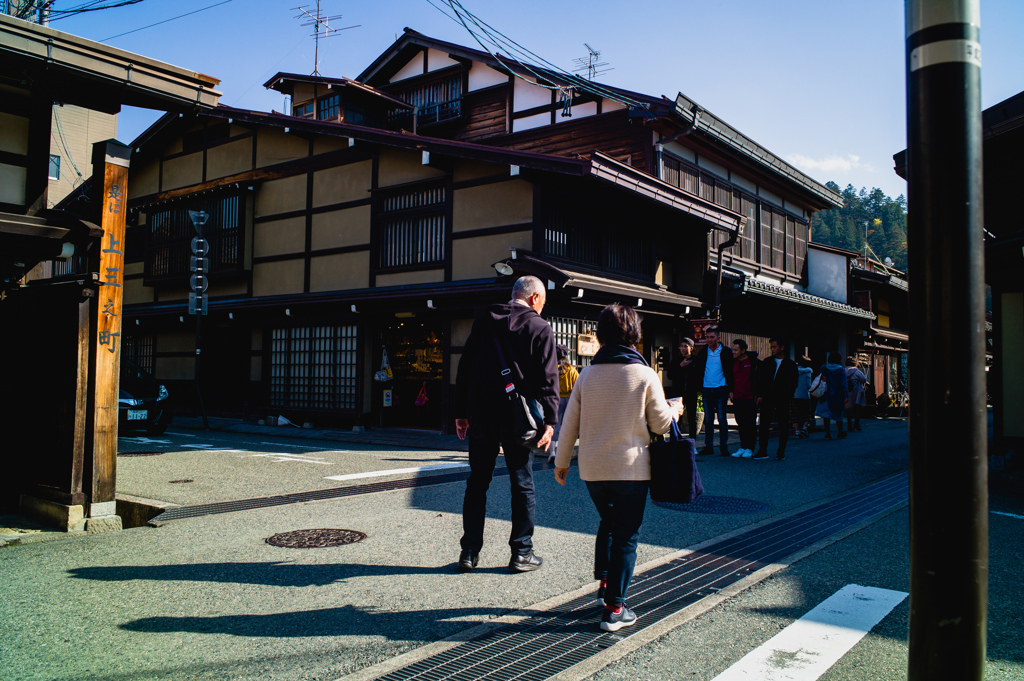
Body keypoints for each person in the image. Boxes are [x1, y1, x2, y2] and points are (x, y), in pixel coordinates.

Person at [553, 303, 683, 632]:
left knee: (608, 522)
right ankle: (614, 609)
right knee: (626, 536)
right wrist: (675, 412)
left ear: (602, 335)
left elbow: (570, 423)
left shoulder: (587, 374)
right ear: (634, 335)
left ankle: (604, 587)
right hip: (631, 469)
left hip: (593, 468)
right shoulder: (644, 374)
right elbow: (661, 425)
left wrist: (561, 461)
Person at [454, 275, 559, 573]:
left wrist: (460, 412)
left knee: (477, 483)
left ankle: (469, 552)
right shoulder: (539, 327)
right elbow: (548, 379)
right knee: (522, 483)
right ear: (535, 298)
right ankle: (521, 553)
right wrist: (551, 421)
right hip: (518, 418)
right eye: (543, 303)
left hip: (481, 414)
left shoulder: (484, 320)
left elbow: (466, 368)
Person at [753, 338, 798, 460]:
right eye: (771, 347)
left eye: (774, 347)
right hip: (767, 397)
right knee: (764, 425)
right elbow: (759, 379)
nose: (772, 349)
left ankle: (781, 451)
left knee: (783, 424)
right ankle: (762, 450)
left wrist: (787, 395)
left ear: (782, 347)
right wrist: (760, 395)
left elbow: (794, 383)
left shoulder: (790, 365)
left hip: (782, 398)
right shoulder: (767, 362)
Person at [693, 326, 734, 456]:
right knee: (708, 419)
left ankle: (723, 446)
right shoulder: (703, 351)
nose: (709, 339)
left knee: (722, 418)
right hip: (706, 388)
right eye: (707, 337)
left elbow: (731, 371)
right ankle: (708, 446)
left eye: (712, 337)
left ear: (718, 338)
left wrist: (731, 389)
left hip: (721, 388)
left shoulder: (726, 352)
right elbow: (699, 369)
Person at [549, 344, 579, 464]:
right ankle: (567, 452)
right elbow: (577, 384)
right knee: (568, 426)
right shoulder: (571, 369)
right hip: (570, 399)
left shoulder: (552, 369)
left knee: (554, 426)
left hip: (556, 399)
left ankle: (552, 452)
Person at [729, 339, 759, 458]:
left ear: (743, 350)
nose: (733, 352)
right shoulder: (732, 362)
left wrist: (758, 394)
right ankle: (743, 446)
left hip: (750, 396)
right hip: (737, 396)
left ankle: (750, 448)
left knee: (750, 423)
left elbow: (757, 379)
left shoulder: (753, 361)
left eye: (736, 350)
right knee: (740, 422)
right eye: (733, 349)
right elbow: (730, 377)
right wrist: (730, 390)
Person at [666, 337, 699, 439]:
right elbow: (669, 375)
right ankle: (676, 440)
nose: (683, 348)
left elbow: (699, 375)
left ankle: (692, 441)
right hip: (678, 393)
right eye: (682, 346)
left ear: (691, 348)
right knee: (677, 417)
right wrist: (680, 366)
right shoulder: (676, 360)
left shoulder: (695, 360)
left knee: (691, 417)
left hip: (691, 392)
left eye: (686, 346)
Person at [814, 352, 849, 439]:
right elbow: (844, 384)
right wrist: (846, 395)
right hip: (837, 394)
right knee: (838, 414)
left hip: (825, 394)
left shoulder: (824, 367)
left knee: (826, 415)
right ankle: (840, 432)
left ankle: (827, 433)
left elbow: (819, 378)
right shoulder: (841, 370)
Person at [791, 355, 814, 438]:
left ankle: (797, 431)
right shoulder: (808, 372)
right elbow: (808, 385)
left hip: (793, 395)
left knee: (794, 414)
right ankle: (804, 428)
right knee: (806, 413)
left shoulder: (793, 371)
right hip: (804, 395)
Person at [845, 357, 868, 432]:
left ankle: (849, 425)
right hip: (856, 391)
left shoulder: (843, 370)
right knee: (858, 409)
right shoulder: (856, 371)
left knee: (849, 410)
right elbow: (863, 379)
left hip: (847, 392)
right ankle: (856, 424)